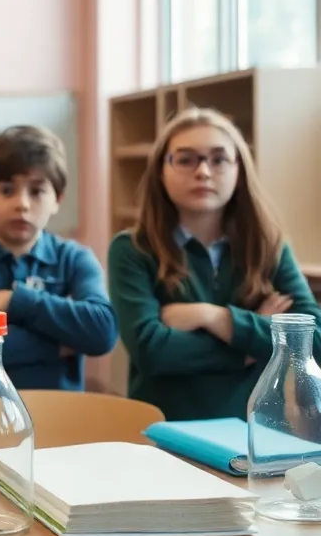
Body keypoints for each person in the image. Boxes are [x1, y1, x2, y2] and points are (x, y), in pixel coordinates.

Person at [108, 107, 321, 421]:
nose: (204, 172)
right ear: (160, 170)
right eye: (185, 159)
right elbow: (152, 351)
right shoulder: (132, 249)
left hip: (253, 432)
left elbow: (313, 341)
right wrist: (252, 345)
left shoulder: (269, 246)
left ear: (239, 170)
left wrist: (217, 318)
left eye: (219, 159)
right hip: (165, 431)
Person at [0, 126, 117, 392]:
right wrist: (61, 342)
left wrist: (15, 301)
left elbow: (102, 332)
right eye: (7, 190)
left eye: (37, 191)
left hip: (61, 415)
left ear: (57, 199)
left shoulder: (75, 258)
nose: (22, 204)